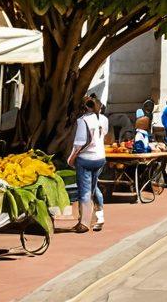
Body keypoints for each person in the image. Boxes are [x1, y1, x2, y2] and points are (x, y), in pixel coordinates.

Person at [67, 93, 108, 233]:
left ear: (84, 107)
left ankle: (84, 223)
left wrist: (71, 158)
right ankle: (97, 217)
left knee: (84, 192)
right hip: (100, 158)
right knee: (93, 188)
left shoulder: (82, 120)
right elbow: (104, 135)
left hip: (86, 159)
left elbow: (79, 143)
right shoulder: (103, 119)